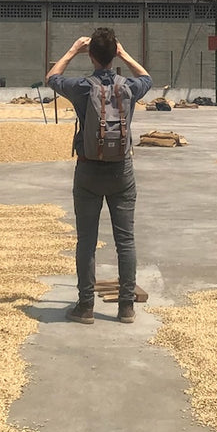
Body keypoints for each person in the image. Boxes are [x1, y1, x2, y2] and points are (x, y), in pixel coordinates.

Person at [46, 27, 153, 324]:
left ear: (91, 55)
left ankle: (86, 306)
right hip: (122, 171)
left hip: (88, 169)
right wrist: (125, 53)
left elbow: (51, 78)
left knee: (87, 241)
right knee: (126, 240)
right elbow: (148, 78)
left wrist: (71, 51)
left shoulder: (81, 87)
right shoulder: (129, 87)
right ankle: (126, 307)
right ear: (113, 54)